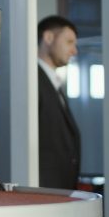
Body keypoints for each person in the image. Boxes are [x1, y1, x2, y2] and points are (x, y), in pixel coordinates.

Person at [37, 15, 80, 190]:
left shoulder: (54, 83)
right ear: (48, 38)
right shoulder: (32, 81)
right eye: (69, 42)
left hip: (58, 193)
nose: (74, 51)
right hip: (42, 194)